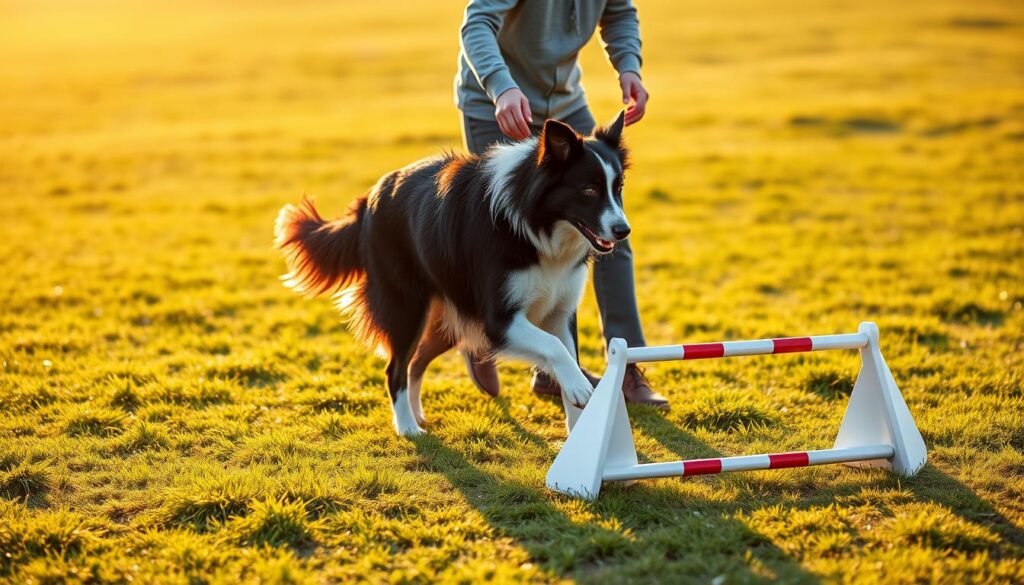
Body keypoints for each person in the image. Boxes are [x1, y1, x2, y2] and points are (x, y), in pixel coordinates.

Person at [455, 0, 668, 408]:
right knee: (504, 243)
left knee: (606, 233)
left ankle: (626, 368)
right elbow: (477, 22)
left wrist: (629, 65)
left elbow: (619, 12)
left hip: (566, 105)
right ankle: (486, 330)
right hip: (499, 105)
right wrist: (501, 86)